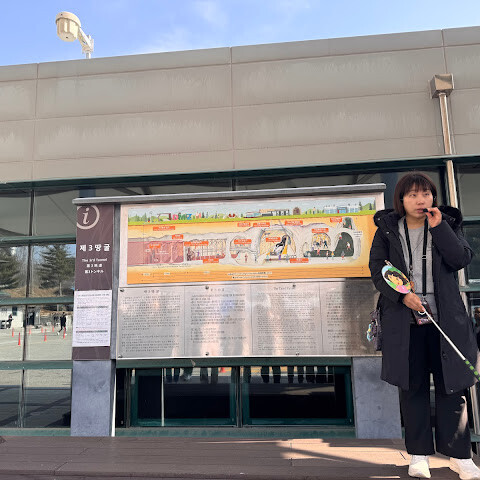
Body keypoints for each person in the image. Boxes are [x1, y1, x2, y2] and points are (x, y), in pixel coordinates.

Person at [369, 172, 480, 480]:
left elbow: (460, 259)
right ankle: (418, 455)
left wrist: (439, 227)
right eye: (413, 195)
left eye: (426, 194)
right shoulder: (387, 230)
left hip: (445, 321)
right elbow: (377, 270)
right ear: (401, 200)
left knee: (453, 388)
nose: (421, 200)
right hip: (406, 323)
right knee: (413, 388)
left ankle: (460, 456)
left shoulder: (447, 224)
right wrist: (401, 297)